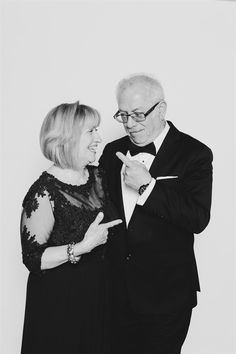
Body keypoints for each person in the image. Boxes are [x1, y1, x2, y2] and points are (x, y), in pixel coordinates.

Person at [99, 74, 213, 354]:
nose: (129, 124)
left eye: (138, 114)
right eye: (123, 115)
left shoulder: (194, 153)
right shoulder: (112, 152)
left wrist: (147, 187)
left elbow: (197, 218)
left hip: (167, 296)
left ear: (161, 110)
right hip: (116, 293)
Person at [20, 101, 122, 354]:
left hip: (100, 294)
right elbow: (33, 258)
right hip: (61, 302)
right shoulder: (43, 192)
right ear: (67, 138)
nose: (99, 138)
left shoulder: (99, 176)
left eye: (98, 129)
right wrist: (83, 247)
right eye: (91, 131)